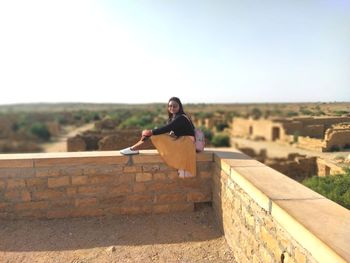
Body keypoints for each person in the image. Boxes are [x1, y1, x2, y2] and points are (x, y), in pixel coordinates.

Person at [120, 97, 196, 178]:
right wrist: (151, 132)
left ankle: (133, 149)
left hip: (187, 143)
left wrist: (151, 132)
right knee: (155, 134)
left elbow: (167, 128)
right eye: (170, 106)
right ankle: (133, 148)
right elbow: (169, 130)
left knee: (154, 136)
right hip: (181, 141)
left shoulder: (181, 117)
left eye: (175, 106)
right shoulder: (174, 117)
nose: (172, 108)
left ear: (179, 107)